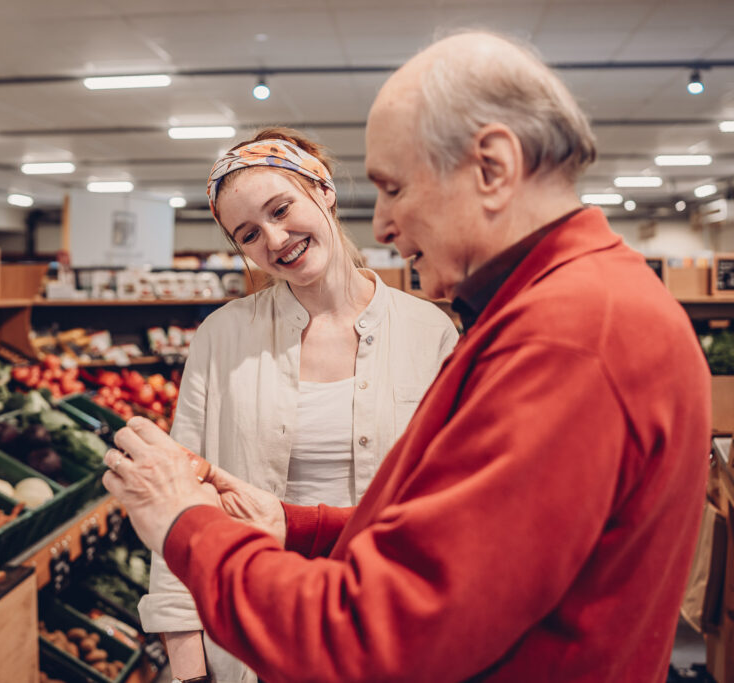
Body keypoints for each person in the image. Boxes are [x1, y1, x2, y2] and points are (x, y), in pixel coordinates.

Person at [103, 30, 712, 683]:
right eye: (249, 233)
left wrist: (185, 521)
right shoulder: (568, 308)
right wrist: (296, 525)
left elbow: (375, 632)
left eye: (394, 188)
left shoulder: (571, 337)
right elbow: (461, 543)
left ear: (493, 166)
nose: (385, 226)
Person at [138, 128, 458, 682]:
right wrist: (189, 674)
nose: (275, 238)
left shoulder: (427, 331)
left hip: (395, 637)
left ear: (324, 191)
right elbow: (179, 508)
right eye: (249, 234)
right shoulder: (222, 337)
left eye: (281, 208)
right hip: (255, 641)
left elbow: (455, 507)